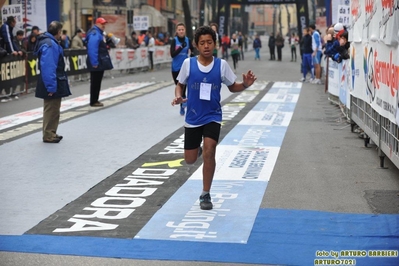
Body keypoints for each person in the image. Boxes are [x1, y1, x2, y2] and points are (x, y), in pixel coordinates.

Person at [171, 25, 257, 210]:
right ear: (196, 45)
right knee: (190, 159)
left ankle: (205, 194)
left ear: (215, 44)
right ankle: (198, 150)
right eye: (202, 43)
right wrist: (179, 96)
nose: (206, 46)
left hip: (213, 116)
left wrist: (245, 85)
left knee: (210, 151)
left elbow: (232, 86)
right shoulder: (188, 64)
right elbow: (180, 84)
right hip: (193, 117)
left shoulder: (221, 65)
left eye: (209, 42)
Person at [34, 21, 71, 143]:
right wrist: (50, 87)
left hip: (54, 80)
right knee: (51, 108)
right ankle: (49, 134)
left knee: (54, 108)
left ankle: (51, 132)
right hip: (52, 81)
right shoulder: (50, 45)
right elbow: (49, 67)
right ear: (59, 32)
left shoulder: (48, 42)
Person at [86, 17, 114, 107]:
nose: (104, 25)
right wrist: (94, 62)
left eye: (104, 24)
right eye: (102, 24)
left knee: (97, 81)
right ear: (97, 24)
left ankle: (95, 100)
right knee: (95, 81)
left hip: (99, 60)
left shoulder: (98, 33)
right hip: (97, 61)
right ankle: (94, 101)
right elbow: (92, 49)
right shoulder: (95, 34)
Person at [170, 22, 194, 116]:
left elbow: (193, 50)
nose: (181, 31)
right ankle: (182, 104)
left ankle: (184, 106)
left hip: (185, 67)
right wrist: (180, 47)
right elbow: (172, 54)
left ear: (185, 31)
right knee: (179, 86)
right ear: (177, 31)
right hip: (175, 67)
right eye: (179, 30)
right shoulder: (174, 40)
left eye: (182, 30)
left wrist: (192, 54)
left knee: (186, 86)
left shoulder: (188, 40)